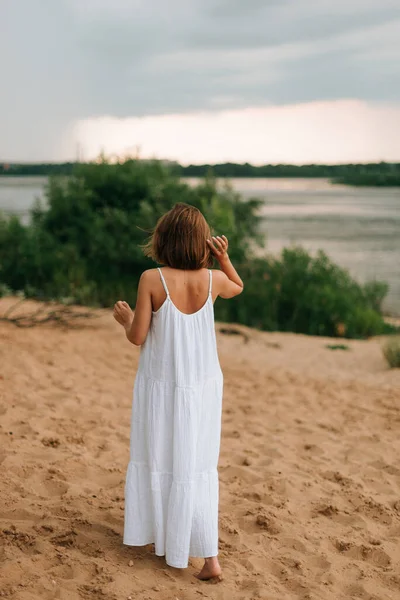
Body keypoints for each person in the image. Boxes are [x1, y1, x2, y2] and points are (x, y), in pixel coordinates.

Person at [113, 202, 243, 580]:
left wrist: (124, 320)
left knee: (163, 454)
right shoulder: (213, 279)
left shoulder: (151, 279)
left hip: (163, 387)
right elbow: (237, 285)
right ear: (201, 243)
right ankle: (210, 560)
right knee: (197, 463)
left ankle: (164, 536)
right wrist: (224, 258)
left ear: (162, 239)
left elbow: (138, 337)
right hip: (202, 388)